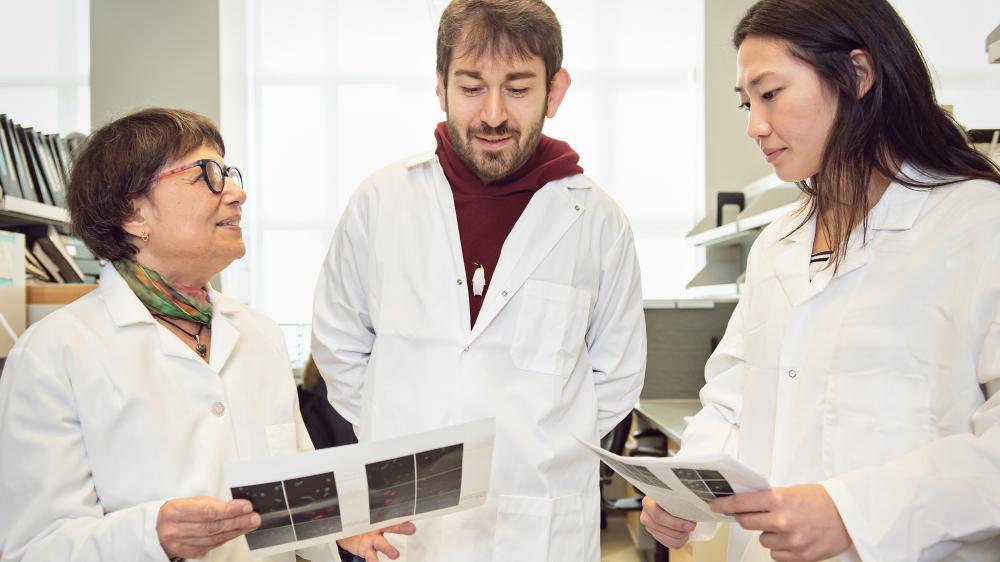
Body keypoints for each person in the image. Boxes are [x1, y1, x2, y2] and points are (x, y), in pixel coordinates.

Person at [639, 1, 1000, 561]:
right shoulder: (777, 245)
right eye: (746, 102)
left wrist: (855, 511)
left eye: (771, 93)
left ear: (856, 75)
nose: (754, 126)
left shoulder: (978, 225)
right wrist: (685, 489)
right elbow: (732, 401)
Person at [311, 0, 646, 559]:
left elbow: (616, 376)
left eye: (517, 88)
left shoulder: (598, 221)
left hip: (539, 525)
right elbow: (339, 347)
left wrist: (542, 451)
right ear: (440, 87)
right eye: (471, 87)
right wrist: (396, 437)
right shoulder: (381, 203)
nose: (493, 114)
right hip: (408, 523)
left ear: (555, 91)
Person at [0, 108, 412, 562]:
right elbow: (34, 549)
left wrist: (334, 529)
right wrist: (152, 537)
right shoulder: (56, 353)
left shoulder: (258, 334)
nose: (237, 192)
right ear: (133, 212)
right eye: (207, 175)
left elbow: (293, 498)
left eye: (229, 172)